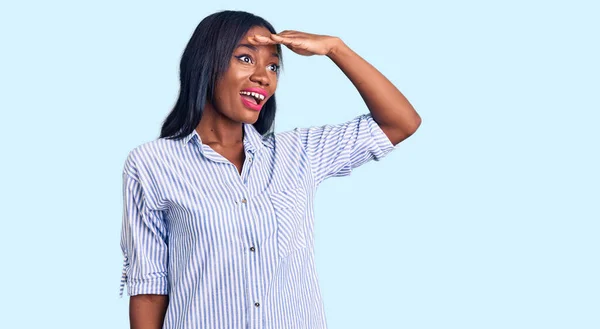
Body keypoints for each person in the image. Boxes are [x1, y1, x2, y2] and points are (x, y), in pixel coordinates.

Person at [119, 9, 421, 329]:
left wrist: (335, 48)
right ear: (206, 63)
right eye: (246, 58)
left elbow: (401, 122)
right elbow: (149, 289)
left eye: (273, 65)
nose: (264, 76)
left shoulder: (299, 154)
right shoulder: (151, 164)